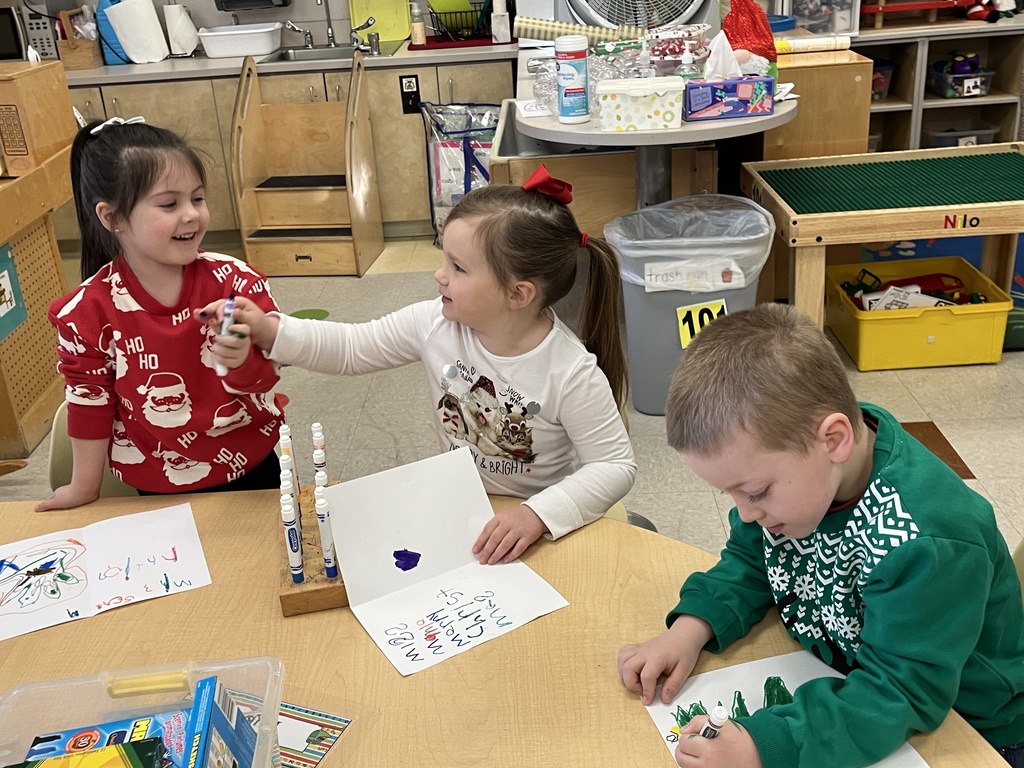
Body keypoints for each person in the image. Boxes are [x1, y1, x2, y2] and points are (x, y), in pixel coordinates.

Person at [617, 302, 1024, 768]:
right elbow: (753, 563)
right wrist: (690, 629)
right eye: (730, 494)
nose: (745, 515)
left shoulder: (924, 541)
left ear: (834, 440)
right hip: (849, 680)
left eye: (754, 491)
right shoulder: (804, 481)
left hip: (973, 731)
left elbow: (901, 691)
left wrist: (764, 745)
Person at [198, 165, 636, 564]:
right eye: (444, 258)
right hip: (461, 503)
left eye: (459, 267)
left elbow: (615, 466)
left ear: (517, 295)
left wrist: (536, 515)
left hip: (535, 524)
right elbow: (352, 347)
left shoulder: (570, 371)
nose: (439, 275)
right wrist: (272, 332)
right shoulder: (435, 322)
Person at [36, 117, 284, 512]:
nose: (191, 215)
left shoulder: (238, 282)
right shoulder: (86, 312)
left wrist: (242, 361)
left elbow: (268, 374)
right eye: (169, 204)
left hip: (253, 471)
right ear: (112, 217)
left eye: (197, 198)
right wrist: (83, 487)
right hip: (160, 483)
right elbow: (89, 400)